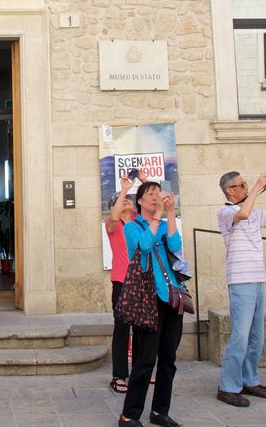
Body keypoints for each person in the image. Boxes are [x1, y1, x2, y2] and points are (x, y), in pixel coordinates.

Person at [119, 181, 187, 427]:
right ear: (139, 201)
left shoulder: (166, 224)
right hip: (148, 299)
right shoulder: (132, 227)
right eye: (150, 194)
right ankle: (129, 415)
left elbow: (177, 249)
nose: (155, 197)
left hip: (171, 297)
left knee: (168, 359)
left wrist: (170, 212)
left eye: (158, 193)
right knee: (145, 360)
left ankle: (160, 411)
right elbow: (143, 247)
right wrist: (157, 216)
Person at [214, 172, 266, 408]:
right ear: (230, 191)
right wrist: (256, 187)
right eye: (240, 185)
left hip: (257, 277)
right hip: (240, 279)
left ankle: (249, 380)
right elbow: (242, 214)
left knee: (257, 336)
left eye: (245, 184)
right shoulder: (225, 212)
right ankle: (228, 386)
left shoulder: (252, 209)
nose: (244, 187)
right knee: (240, 336)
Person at [105, 174, 136, 394]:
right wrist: (124, 190)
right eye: (121, 200)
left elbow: (156, 205)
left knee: (145, 330)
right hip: (122, 282)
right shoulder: (113, 224)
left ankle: (142, 371)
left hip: (143, 282)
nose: (126, 201)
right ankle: (119, 375)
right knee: (122, 330)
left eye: (129, 199)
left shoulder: (139, 223)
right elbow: (115, 216)